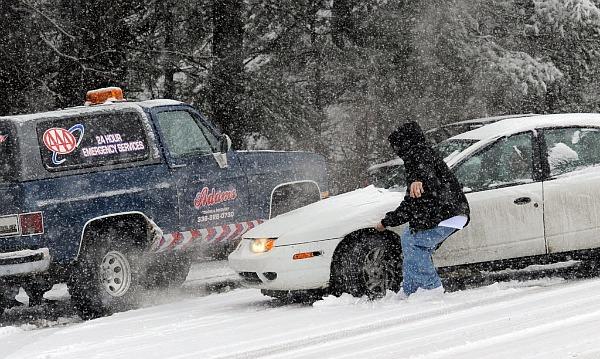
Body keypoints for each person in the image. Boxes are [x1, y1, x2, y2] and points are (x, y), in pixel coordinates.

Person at [375, 121, 470, 297]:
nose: (396, 151)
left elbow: (424, 171)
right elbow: (411, 201)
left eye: (397, 146)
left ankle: (431, 288)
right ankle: (410, 290)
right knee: (408, 237)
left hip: (448, 213)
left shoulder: (419, 154)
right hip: (442, 213)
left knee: (414, 243)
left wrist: (419, 178)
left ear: (405, 144)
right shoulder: (418, 156)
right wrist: (389, 220)